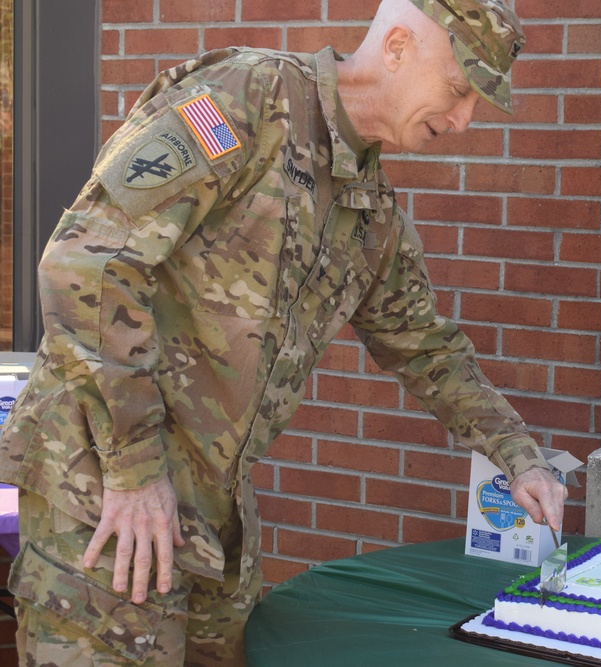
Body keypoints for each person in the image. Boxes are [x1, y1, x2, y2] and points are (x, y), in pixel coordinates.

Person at [0, 0, 567, 664]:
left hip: (212, 518)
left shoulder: (370, 210)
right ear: (398, 47)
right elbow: (89, 262)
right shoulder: (245, 98)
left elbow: (427, 347)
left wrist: (519, 455)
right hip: (104, 500)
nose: (465, 119)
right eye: (460, 88)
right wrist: (133, 471)